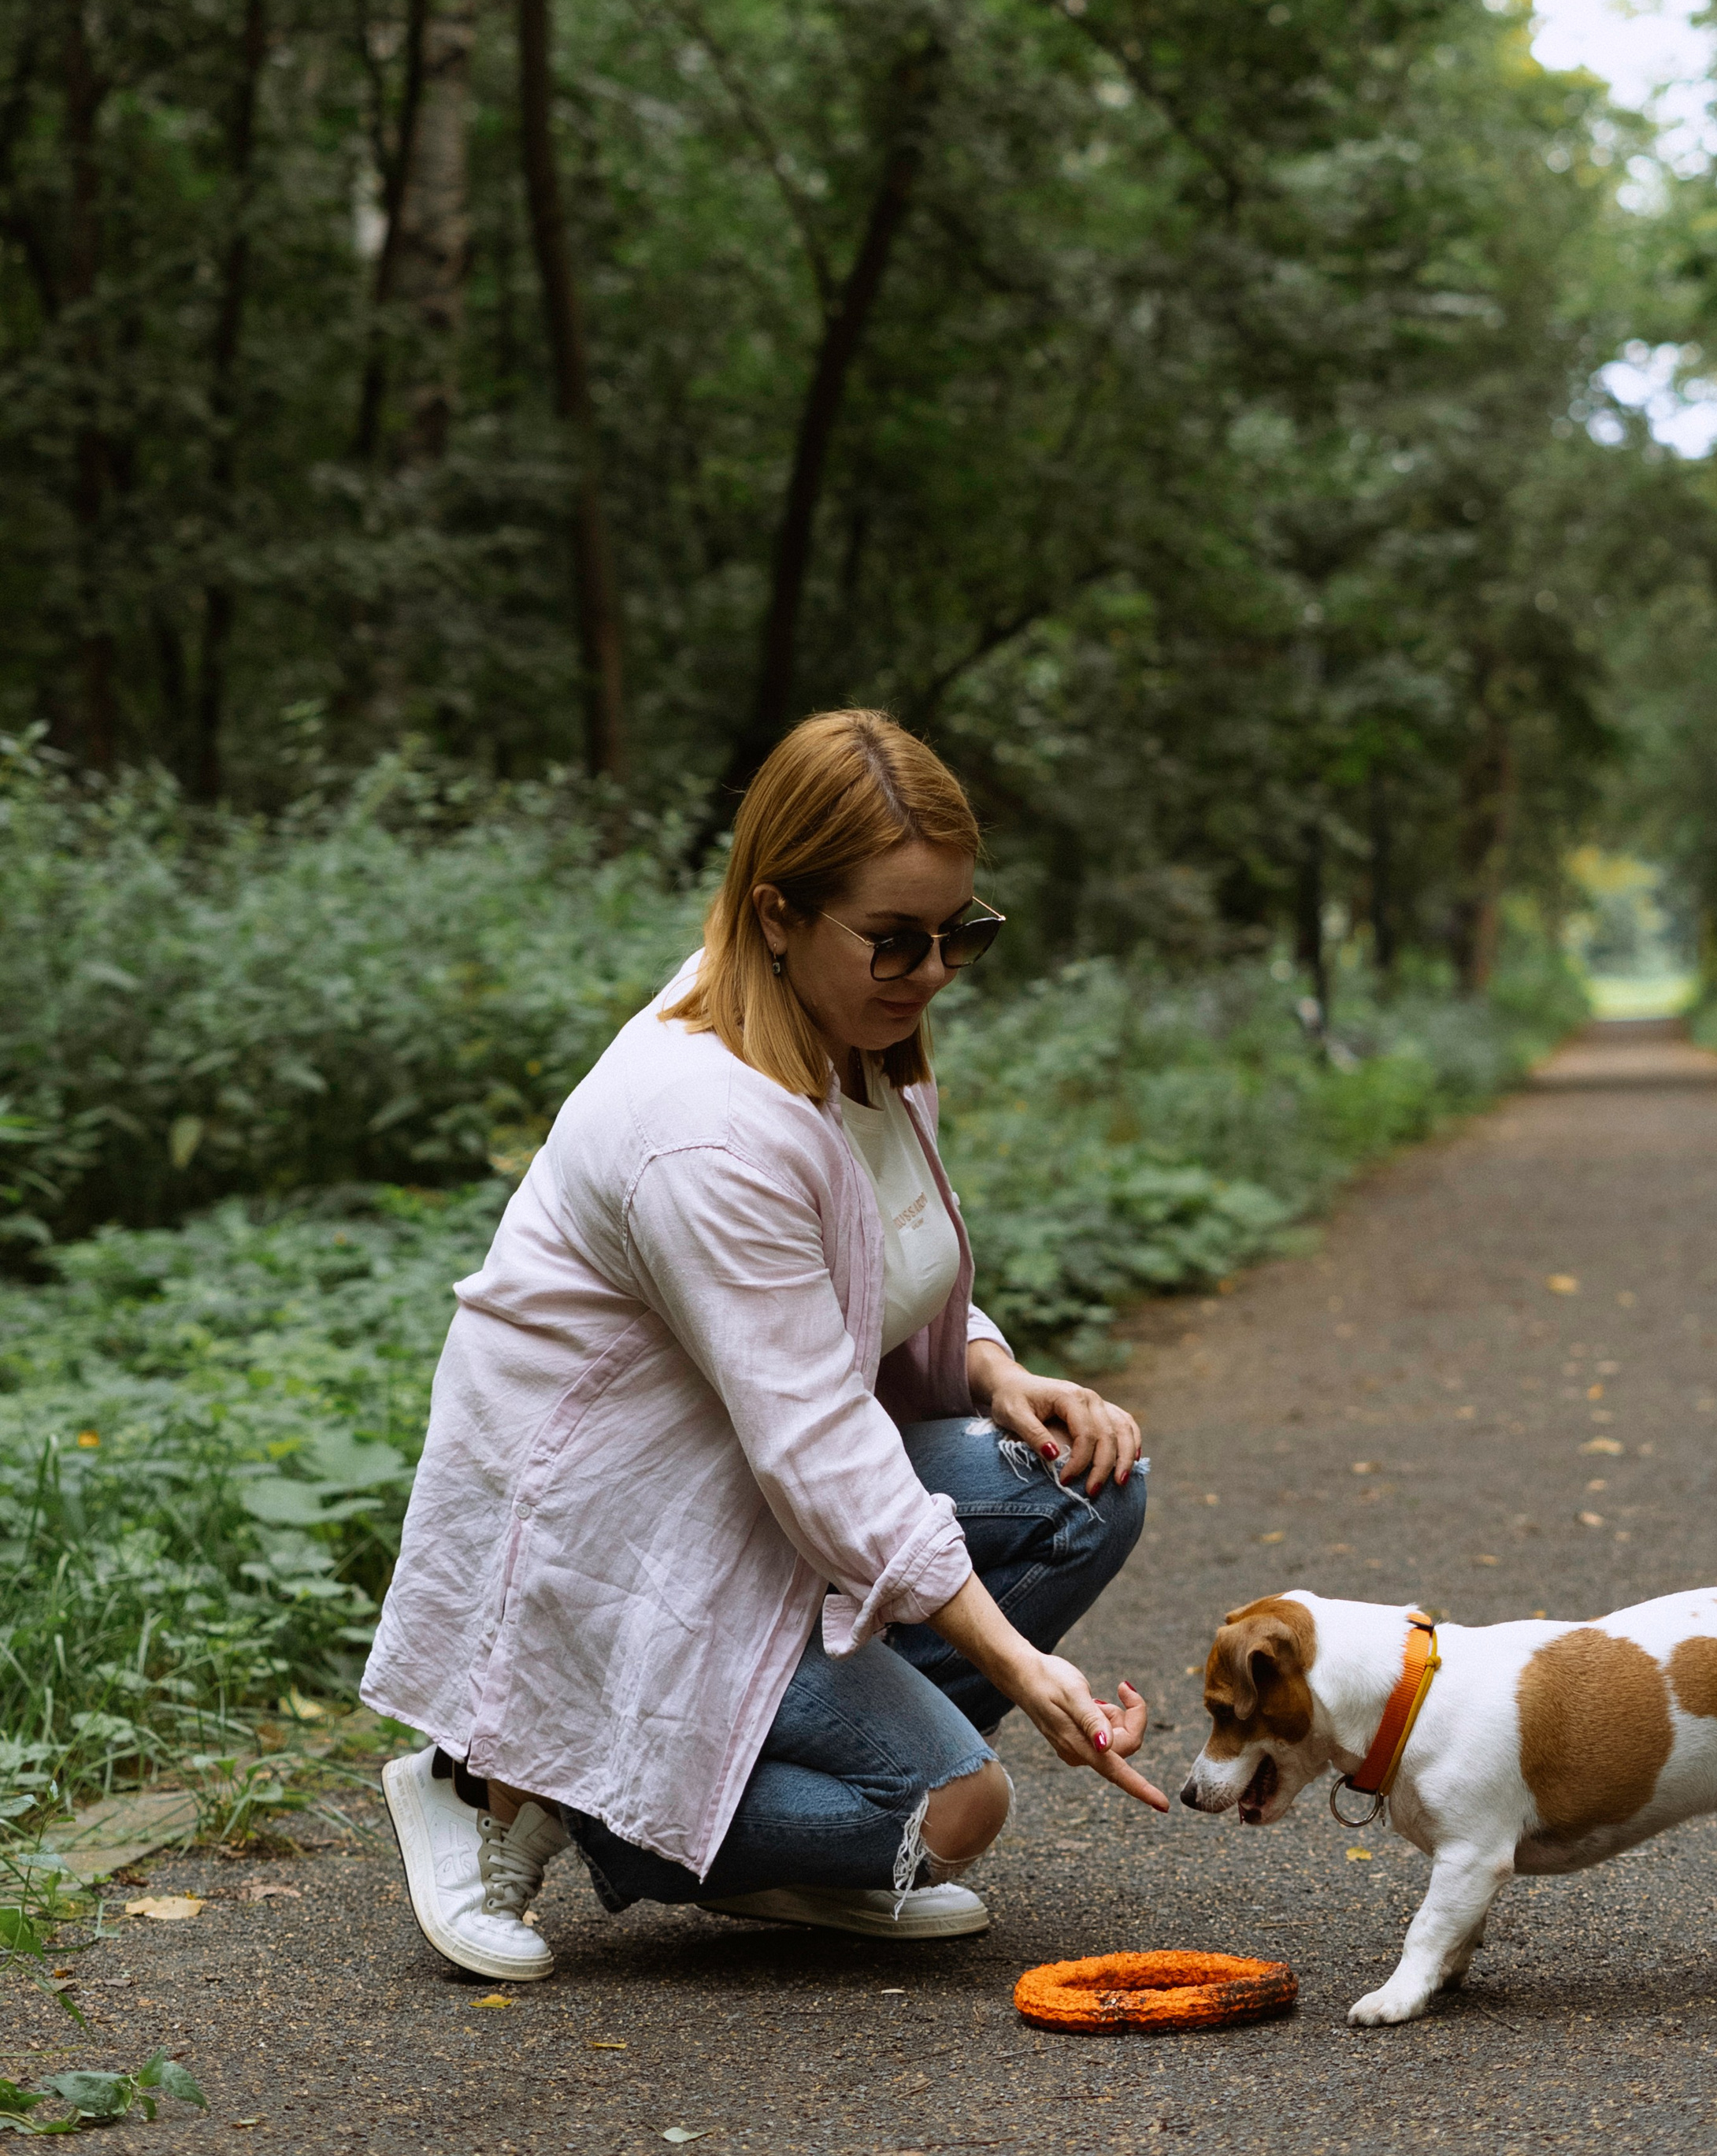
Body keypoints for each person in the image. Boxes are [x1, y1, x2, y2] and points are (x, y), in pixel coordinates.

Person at [363, 709, 1161, 1980]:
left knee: (1083, 1488)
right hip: (637, 1539)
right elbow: (820, 1441)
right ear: (779, 911)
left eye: (962, 934)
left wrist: (998, 1370)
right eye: (897, 939)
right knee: (960, 1814)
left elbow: (875, 1272)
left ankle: (769, 1817)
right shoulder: (705, 1129)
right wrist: (1019, 1666)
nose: (935, 969)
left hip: (755, 1498)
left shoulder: (853, 1036)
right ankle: (516, 1783)